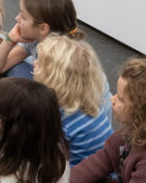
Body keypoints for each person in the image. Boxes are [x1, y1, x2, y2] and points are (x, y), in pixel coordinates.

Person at [34, 36, 114, 166]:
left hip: (84, 176)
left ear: (54, 78)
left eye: (40, 63)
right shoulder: (80, 101)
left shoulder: (67, 121)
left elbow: (48, 159)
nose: (34, 63)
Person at [0, 0, 80, 78]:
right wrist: (10, 39)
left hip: (52, 89)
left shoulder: (60, 61)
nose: (17, 18)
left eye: (23, 17)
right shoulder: (35, 39)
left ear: (43, 29)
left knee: (17, 74)